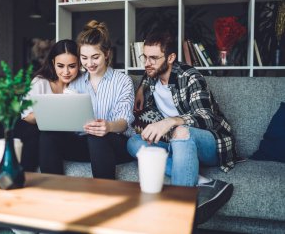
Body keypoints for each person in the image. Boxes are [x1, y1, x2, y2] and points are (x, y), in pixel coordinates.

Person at [127, 30, 239, 224]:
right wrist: (140, 89)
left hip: (212, 142)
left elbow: (207, 117)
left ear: (171, 57)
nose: (147, 63)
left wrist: (170, 121)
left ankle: (178, 215)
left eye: (153, 58)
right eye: (144, 56)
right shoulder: (153, 75)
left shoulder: (191, 77)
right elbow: (147, 75)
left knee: (181, 131)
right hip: (176, 143)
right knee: (135, 142)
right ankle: (205, 182)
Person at [39, 20, 135, 179]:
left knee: (96, 135)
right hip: (83, 144)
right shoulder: (74, 82)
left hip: (115, 144)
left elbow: (124, 122)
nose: (89, 63)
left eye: (95, 57)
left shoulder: (122, 81)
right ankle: (52, 190)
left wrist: (109, 126)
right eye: (84, 58)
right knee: (47, 136)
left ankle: (103, 195)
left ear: (107, 54)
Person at [13, 39, 81, 172]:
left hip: (69, 137)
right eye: (60, 66)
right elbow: (27, 117)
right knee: (27, 128)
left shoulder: (82, 82)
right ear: (53, 63)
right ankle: (20, 171)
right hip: (37, 131)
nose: (66, 72)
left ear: (79, 64)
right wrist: (50, 112)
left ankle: (16, 172)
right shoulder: (40, 82)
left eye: (72, 66)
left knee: (45, 134)